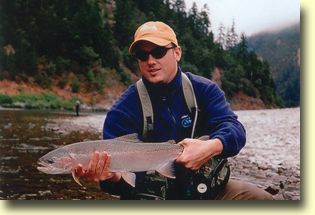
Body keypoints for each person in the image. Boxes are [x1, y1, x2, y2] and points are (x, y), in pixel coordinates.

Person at [75, 21, 274, 200]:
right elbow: (118, 186)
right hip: (151, 198)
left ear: (177, 53)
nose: (151, 60)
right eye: (142, 55)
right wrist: (111, 175)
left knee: (262, 200)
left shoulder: (204, 90)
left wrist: (211, 147)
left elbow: (235, 130)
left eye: (159, 52)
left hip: (206, 192)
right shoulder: (124, 109)